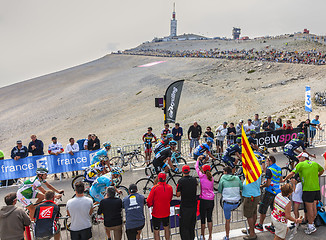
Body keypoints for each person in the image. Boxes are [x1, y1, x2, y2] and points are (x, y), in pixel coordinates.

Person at [284, 152, 324, 235]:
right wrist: (317, 175)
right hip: (316, 189)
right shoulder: (314, 163)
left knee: (309, 209)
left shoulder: (301, 164)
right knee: (314, 208)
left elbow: (292, 173)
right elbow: (322, 170)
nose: (298, 159)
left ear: (304, 158)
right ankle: (311, 224)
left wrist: (284, 180)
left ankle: (310, 226)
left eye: (299, 158)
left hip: (308, 190)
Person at [255, 156, 283, 234]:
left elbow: (268, 183)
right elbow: (281, 180)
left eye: (267, 161)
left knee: (263, 208)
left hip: (269, 191)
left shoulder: (269, 170)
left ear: (270, 161)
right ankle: (272, 226)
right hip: (277, 191)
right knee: (274, 210)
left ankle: (260, 225)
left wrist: (261, 186)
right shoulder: (279, 168)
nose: (266, 163)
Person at [218, 166, 243, 240]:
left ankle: (227, 236)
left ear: (225, 172)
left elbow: (219, 190)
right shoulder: (237, 178)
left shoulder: (222, 178)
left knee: (227, 221)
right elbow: (241, 187)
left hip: (227, 203)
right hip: (236, 203)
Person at [147, 173, 173, 240]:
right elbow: (170, 198)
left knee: (156, 232)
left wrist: (150, 205)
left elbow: (149, 201)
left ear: (158, 179)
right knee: (167, 228)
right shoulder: (170, 187)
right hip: (166, 212)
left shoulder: (154, 188)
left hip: (156, 213)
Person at [176, 165, 198, 240]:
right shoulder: (194, 180)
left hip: (185, 206)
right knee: (192, 225)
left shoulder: (181, 181)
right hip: (193, 205)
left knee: (184, 226)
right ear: (189, 171)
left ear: (182, 172)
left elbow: (178, 194)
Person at [195, 160, 214, 240]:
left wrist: (198, 160)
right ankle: (210, 236)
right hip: (211, 199)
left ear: (203, 170)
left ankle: (203, 235)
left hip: (203, 199)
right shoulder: (212, 178)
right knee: (209, 218)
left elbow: (196, 167)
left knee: (203, 219)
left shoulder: (201, 176)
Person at [242, 175, 261, 240]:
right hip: (254, 194)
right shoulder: (256, 169)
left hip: (250, 196)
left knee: (249, 215)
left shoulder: (252, 170)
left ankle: (252, 233)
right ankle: (251, 229)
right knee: (253, 213)